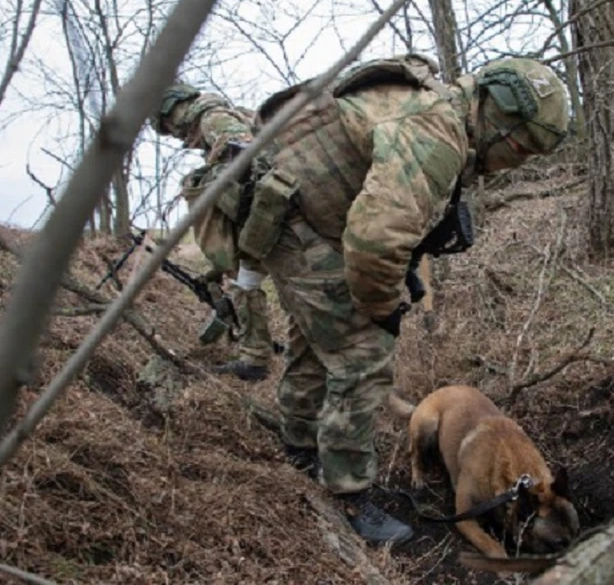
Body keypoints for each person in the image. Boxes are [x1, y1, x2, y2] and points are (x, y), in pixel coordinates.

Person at [158, 54, 570, 545]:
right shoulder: (438, 134)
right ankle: (349, 494)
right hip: (298, 221)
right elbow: (376, 242)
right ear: (501, 122)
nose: (516, 162)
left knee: (318, 337)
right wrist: (380, 308)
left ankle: (298, 443)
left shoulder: (427, 102)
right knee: (363, 357)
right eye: (520, 150)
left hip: (297, 212)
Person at [151, 84, 275, 381]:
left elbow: (252, 164)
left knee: (243, 281)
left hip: (265, 217)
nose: (175, 135)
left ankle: (256, 360)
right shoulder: (224, 116)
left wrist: (247, 228)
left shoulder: (213, 119)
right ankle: (255, 355)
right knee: (244, 281)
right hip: (263, 216)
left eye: (169, 127)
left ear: (174, 112)